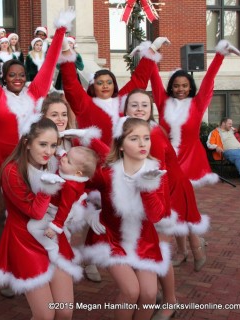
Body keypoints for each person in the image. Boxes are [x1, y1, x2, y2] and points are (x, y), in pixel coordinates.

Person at [0, 5, 75, 296]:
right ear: (4, 76)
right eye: (12, 73)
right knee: (4, 217)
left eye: (21, 73)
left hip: (33, 164)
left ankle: (36, 263)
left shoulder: (35, 94)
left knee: (34, 216)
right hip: (2, 164)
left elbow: (49, 65)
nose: (18, 77)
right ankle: (7, 269)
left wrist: (60, 31)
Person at [123, 89, 209, 319]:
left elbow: (159, 174)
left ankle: (170, 300)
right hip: (142, 196)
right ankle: (155, 293)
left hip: (166, 192)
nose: (140, 108)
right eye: (134, 105)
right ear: (126, 109)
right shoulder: (124, 131)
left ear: (151, 110)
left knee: (159, 250)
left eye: (145, 105)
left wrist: (159, 212)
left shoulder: (154, 133)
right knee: (141, 247)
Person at [0, 117, 77, 319]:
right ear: (27, 143)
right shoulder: (11, 170)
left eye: (53, 145)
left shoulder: (50, 165)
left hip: (50, 237)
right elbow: (35, 211)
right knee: (45, 314)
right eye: (43, 144)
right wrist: (49, 187)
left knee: (64, 311)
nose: (49, 151)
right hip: (24, 242)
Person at [82, 117, 169, 320]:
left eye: (146, 138)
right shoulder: (106, 173)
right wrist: (89, 213)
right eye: (134, 138)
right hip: (111, 239)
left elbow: (157, 216)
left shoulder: (157, 172)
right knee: (131, 291)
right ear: (120, 145)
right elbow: (75, 186)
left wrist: (147, 187)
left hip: (144, 241)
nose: (142, 144)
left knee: (148, 294)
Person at [150, 40, 240, 187]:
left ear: (190, 87)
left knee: (185, 201)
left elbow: (209, 79)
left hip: (191, 160)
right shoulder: (164, 102)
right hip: (166, 158)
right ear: (171, 88)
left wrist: (220, 56)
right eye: (176, 86)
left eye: (185, 86)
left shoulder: (197, 104)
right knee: (164, 200)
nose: (181, 89)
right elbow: (154, 78)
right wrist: (152, 49)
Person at [59, 37, 169, 146]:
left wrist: (153, 48)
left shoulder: (122, 101)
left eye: (109, 82)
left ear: (114, 85)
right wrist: (65, 49)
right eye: (100, 83)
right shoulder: (85, 103)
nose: (105, 86)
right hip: (92, 158)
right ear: (93, 86)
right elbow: (71, 83)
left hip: (121, 158)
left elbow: (139, 80)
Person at [26, 145, 97, 283]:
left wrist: (55, 226)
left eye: (68, 160)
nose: (63, 159)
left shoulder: (70, 187)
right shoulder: (71, 171)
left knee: (32, 227)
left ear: (77, 174)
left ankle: (52, 248)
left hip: (55, 211)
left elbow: (64, 208)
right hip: (54, 207)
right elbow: (66, 157)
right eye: (66, 156)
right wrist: (60, 152)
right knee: (62, 232)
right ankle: (65, 237)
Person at [207, 117, 240, 185]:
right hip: (229, 151)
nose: (231, 125)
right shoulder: (215, 132)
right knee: (238, 157)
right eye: (229, 123)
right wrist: (216, 147)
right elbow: (209, 143)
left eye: (231, 124)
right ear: (223, 123)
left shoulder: (232, 130)